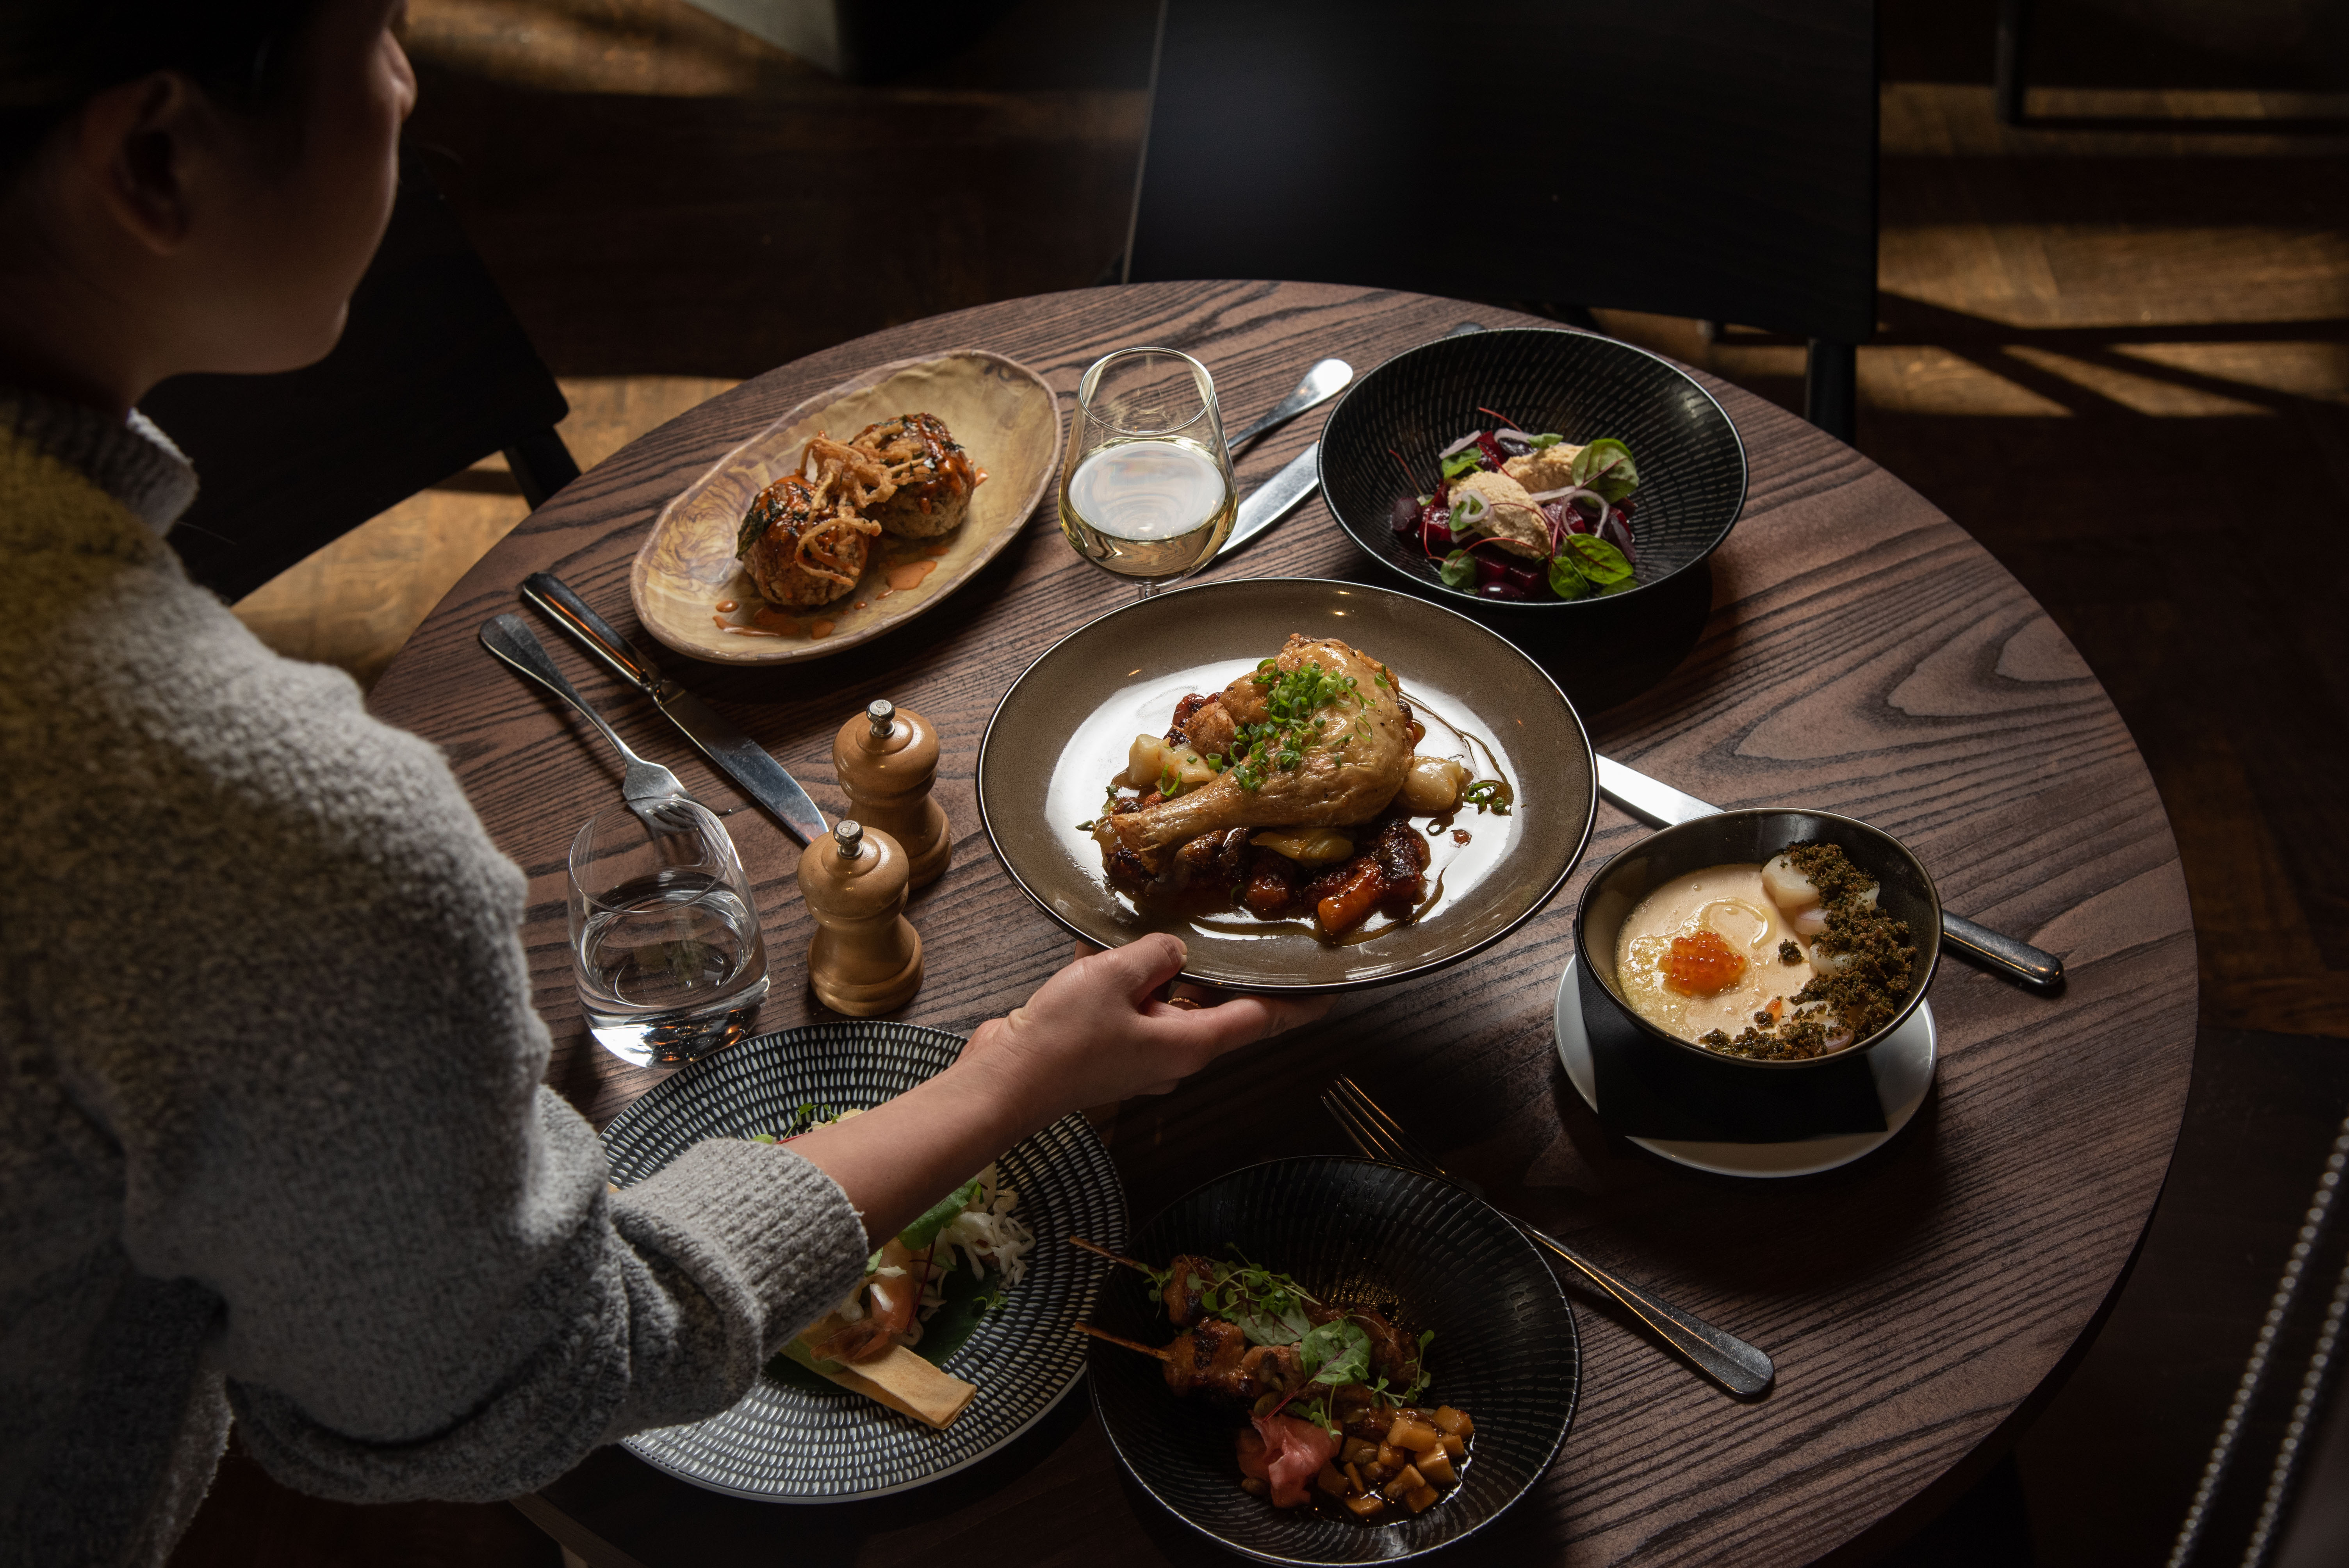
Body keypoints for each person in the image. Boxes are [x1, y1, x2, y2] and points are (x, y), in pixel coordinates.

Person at [0, 4, 1327, 1563]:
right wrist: (1015, 1075)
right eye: (381, 29)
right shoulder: (258, 826)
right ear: (156, 158)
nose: (410, 87)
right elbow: (516, 1375)